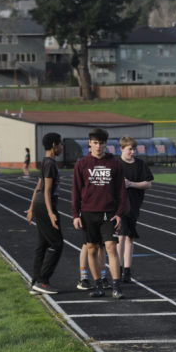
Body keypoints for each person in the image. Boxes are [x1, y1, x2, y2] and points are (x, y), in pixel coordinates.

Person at [71, 128, 126, 299]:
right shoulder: (81, 164)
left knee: (111, 248)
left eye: (101, 143)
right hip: (88, 212)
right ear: (89, 143)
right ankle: (98, 286)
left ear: (106, 144)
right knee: (92, 249)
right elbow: (76, 191)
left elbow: (121, 191)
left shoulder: (115, 163)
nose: (98, 146)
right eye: (95, 143)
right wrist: (75, 215)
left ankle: (116, 286)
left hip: (108, 212)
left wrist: (119, 213)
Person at [25, 132, 63, 295]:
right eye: (60, 144)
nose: (61, 147)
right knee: (57, 244)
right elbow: (46, 191)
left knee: (42, 245)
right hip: (46, 205)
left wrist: (32, 208)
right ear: (54, 145)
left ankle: (35, 281)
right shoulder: (49, 164)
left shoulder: (47, 163)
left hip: (40, 205)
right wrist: (51, 213)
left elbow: (37, 187)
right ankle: (43, 281)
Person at [116, 135, 154, 283]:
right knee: (121, 236)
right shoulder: (116, 164)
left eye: (134, 149)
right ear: (121, 149)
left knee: (130, 237)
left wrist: (131, 184)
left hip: (134, 205)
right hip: (118, 206)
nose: (132, 152)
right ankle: (117, 269)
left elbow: (148, 184)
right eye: (129, 149)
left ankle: (127, 270)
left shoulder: (139, 164)